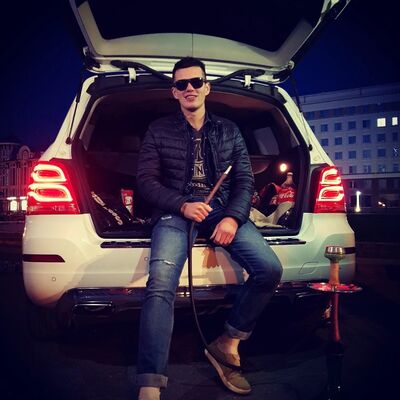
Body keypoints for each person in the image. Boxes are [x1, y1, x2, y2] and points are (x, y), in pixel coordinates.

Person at [135, 57, 282, 400]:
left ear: (207, 87)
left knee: (269, 269)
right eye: (182, 84)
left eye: (196, 82)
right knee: (161, 284)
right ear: (174, 92)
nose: (190, 88)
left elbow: (244, 180)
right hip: (175, 212)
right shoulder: (158, 129)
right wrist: (181, 205)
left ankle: (227, 342)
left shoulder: (229, 130)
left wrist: (232, 217)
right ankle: (150, 383)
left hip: (222, 211)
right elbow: (146, 181)